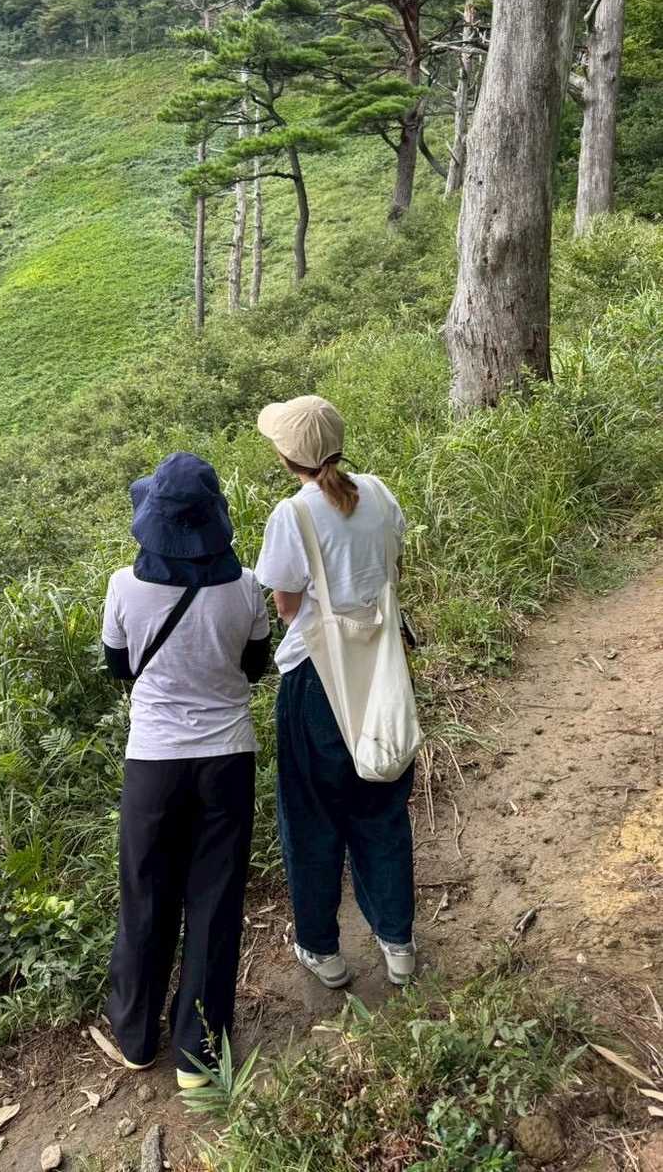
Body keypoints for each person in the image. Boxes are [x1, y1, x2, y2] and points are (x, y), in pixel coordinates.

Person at [101, 452, 271, 1088]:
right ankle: (197, 1055)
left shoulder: (125, 586)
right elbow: (255, 666)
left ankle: (136, 1037)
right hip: (227, 759)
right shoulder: (245, 585)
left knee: (145, 893)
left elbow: (120, 668)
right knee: (215, 900)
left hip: (153, 763)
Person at [254, 395, 417, 989]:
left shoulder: (292, 515)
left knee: (313, 817)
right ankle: (397, 941)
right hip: (382, 668)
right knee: (382, 805)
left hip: (316, 683)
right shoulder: (377, 492)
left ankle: (323, 949)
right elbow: (393, 568)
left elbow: (286, 606)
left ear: (286, 456)